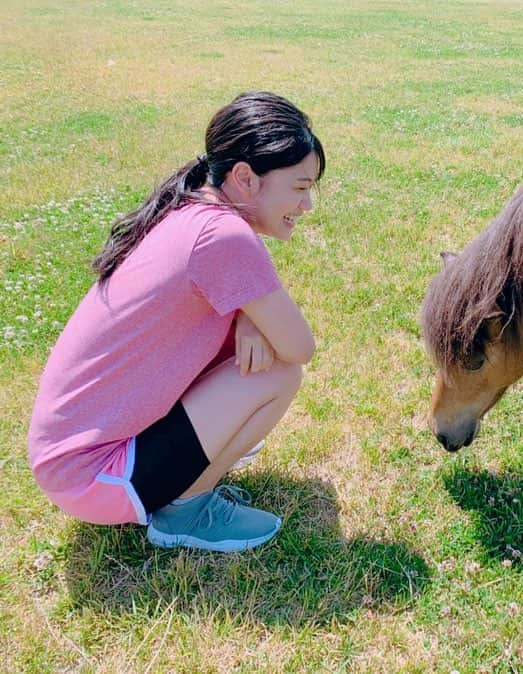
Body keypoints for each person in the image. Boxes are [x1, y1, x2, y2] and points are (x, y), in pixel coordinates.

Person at [27, 92, 325, 552]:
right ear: (246, 178)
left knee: (258, 351)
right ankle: (185, 509)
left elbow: (252, 310)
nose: (307, 206)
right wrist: (252, 316)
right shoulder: (224, 236)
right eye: (300, 187)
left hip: (70, 462)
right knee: (279, 371)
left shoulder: (190, 209)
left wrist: (248, 315)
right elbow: (299, 346)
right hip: (98, 477)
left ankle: (190, 470)